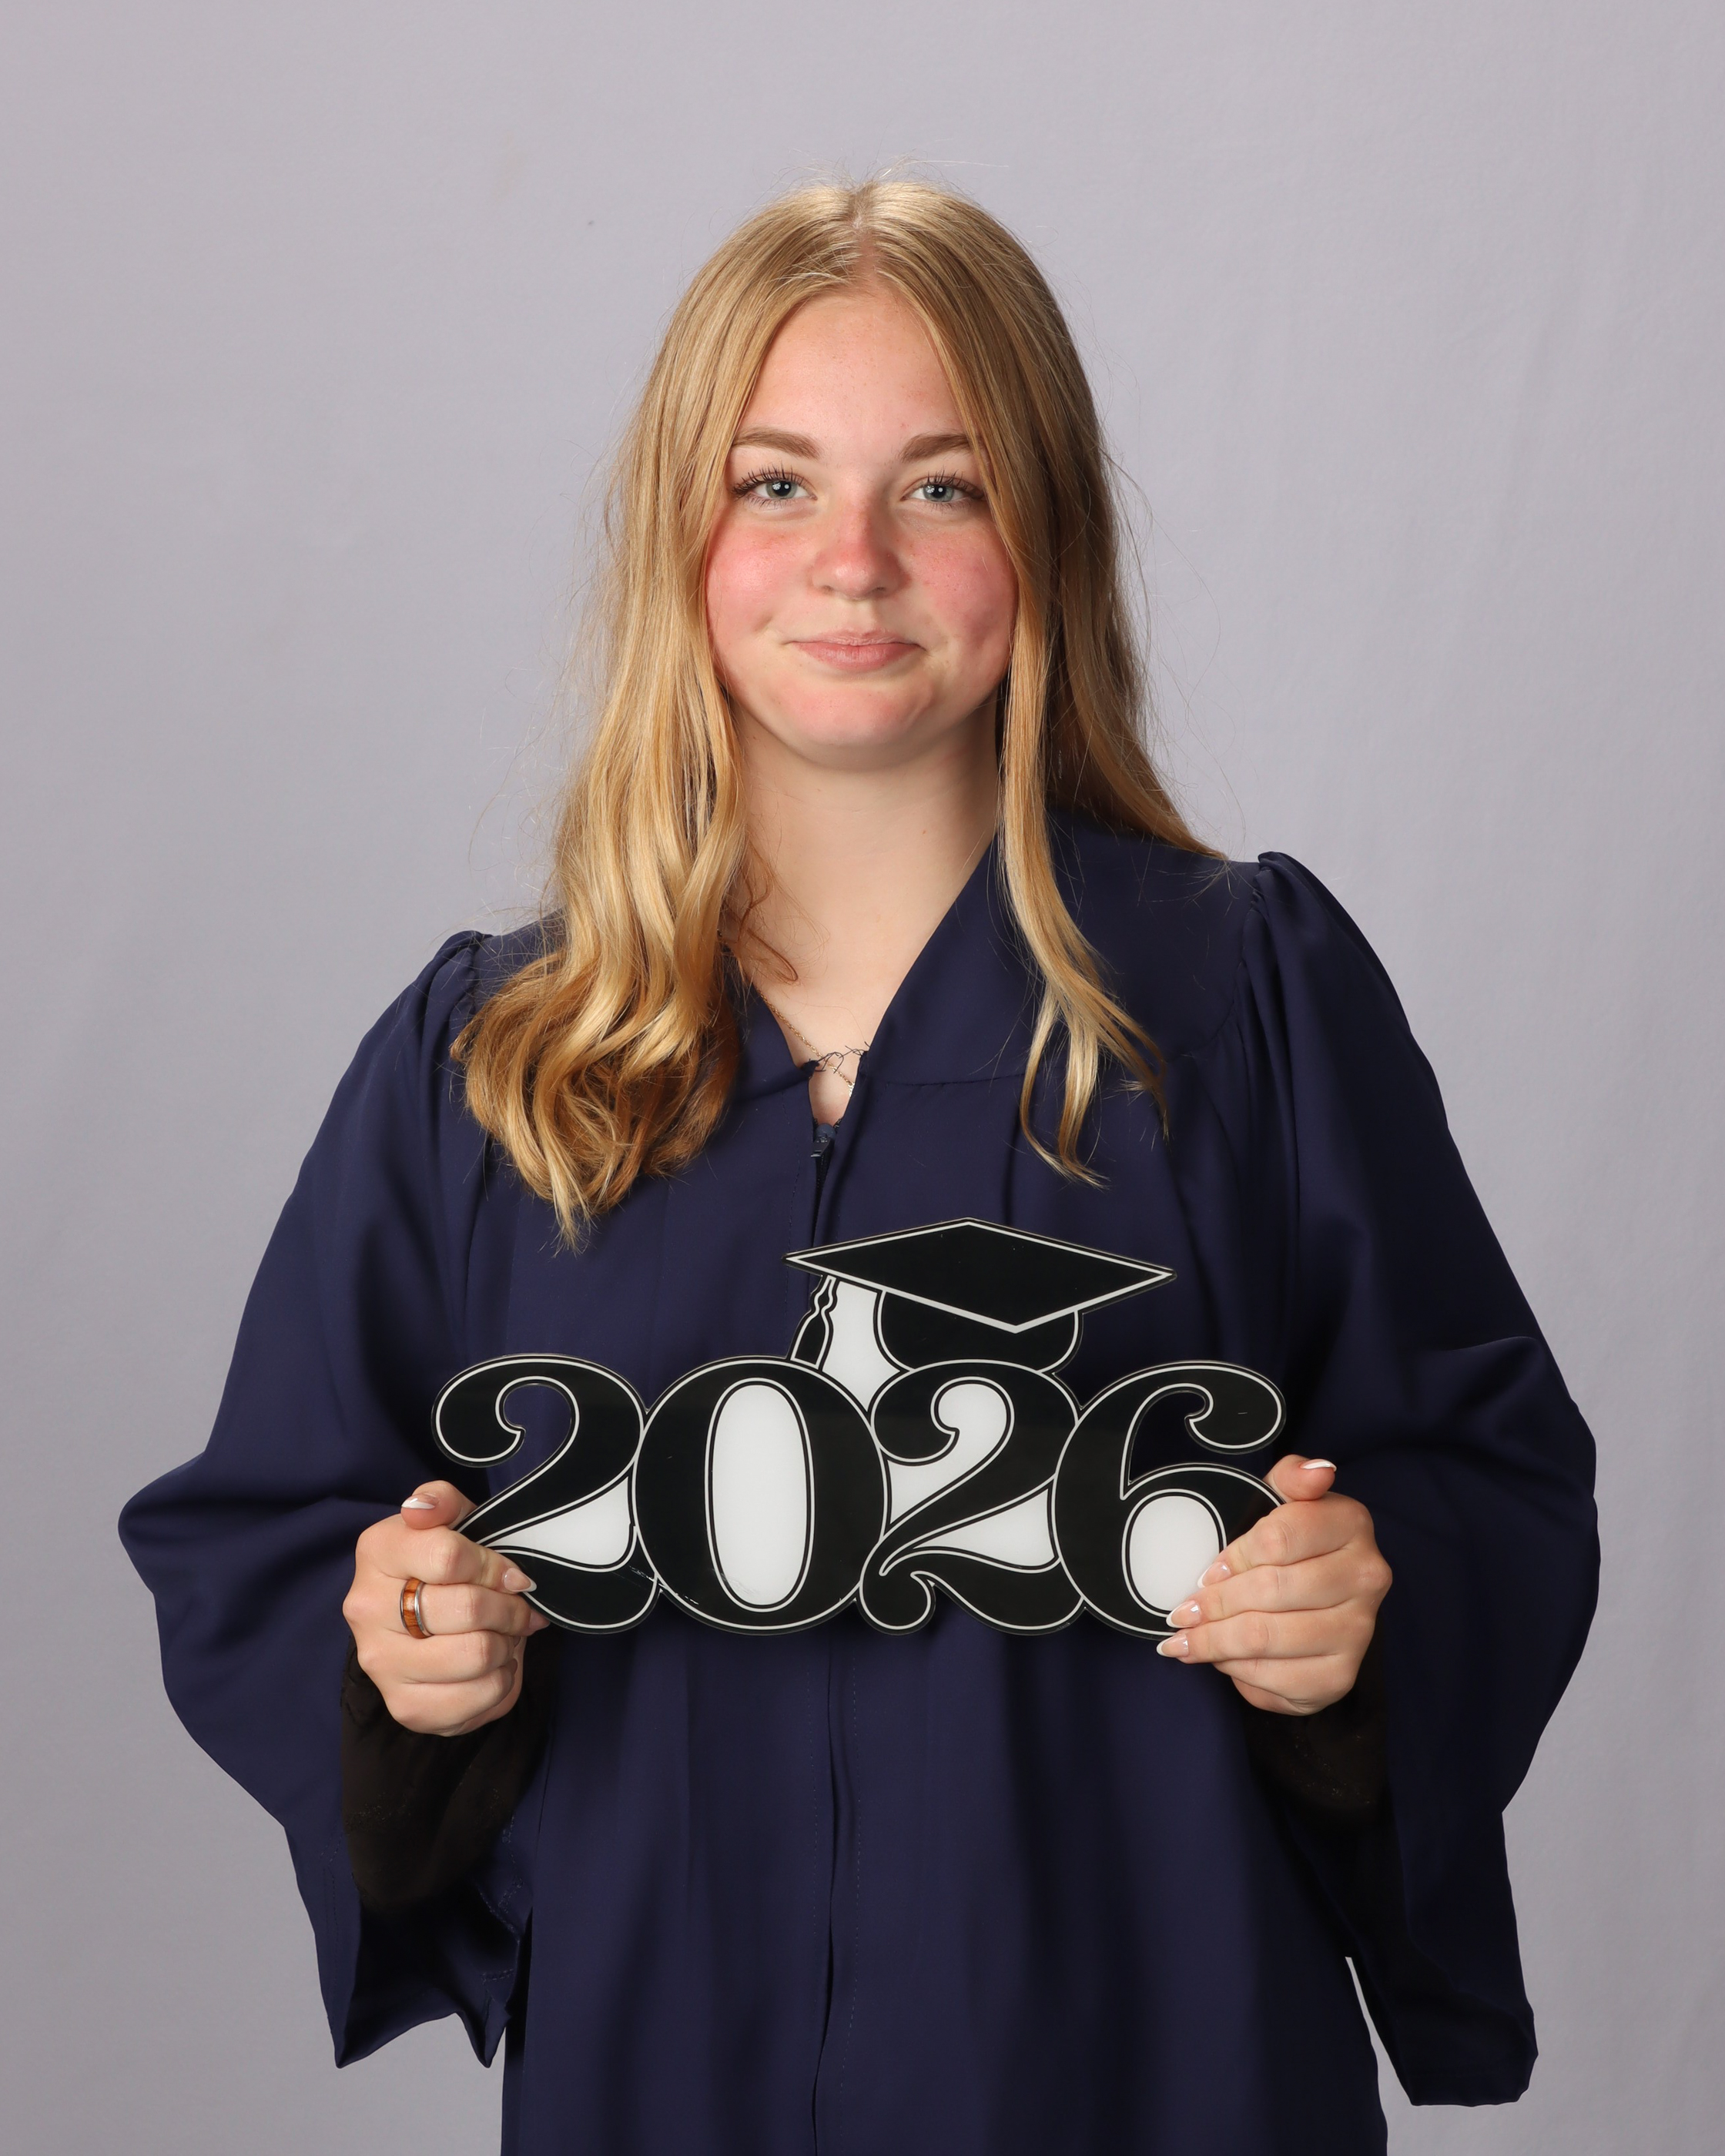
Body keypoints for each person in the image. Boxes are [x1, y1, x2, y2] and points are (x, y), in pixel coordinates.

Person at [119, 176, 1599, 2155]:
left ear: (1044, 530)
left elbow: (1484, 1465)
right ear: (681, 533)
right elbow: (272, 1530)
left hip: (1149, 2068)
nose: (855, 563)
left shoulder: (1236, 1001)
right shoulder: (501, 1062)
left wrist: (1359, 1618)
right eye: (776, 483)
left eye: (942, 487)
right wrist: (399, 1656)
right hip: (669, 2067)